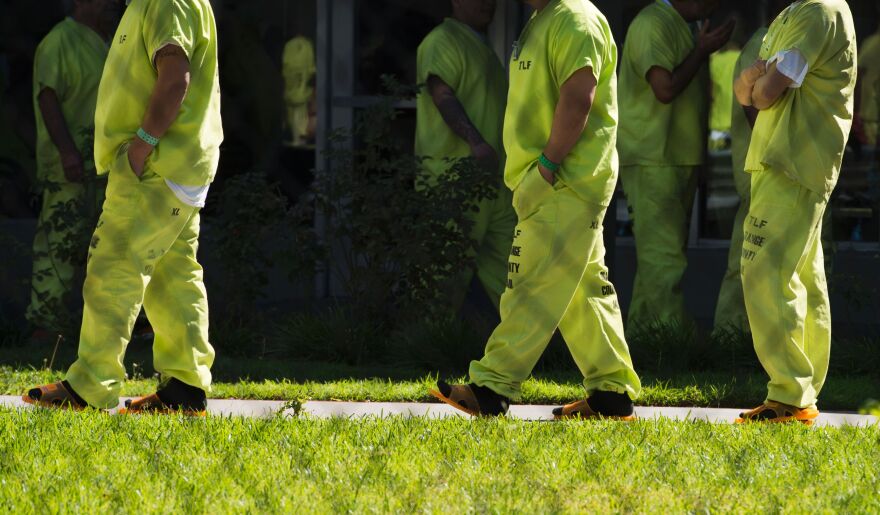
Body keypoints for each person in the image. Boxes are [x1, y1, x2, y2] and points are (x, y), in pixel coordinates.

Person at [430, 0, 641, 420]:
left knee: (529, 282)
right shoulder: (543, 19)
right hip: (554, 178)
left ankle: (492, 386)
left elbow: (579, 98)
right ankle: (612, 394)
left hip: (562, 179)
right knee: (584, 291)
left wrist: (545, 168)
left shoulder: (575, 19)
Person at [24, 0, 223, 415]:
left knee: (113, 264)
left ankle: (90, 386)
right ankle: (185, 389)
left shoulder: (166, 2)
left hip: (155, 165)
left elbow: (174, 81)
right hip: (177, 164)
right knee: (174, 274)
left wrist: (140, 146)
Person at [733, 0, 856, 424]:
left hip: (795, 162)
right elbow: (743, 89)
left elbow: (762, 92)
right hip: (780, 159)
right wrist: (760, 78)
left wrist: (760, 77)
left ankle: (790, 396)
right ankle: (800, 394)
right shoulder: (793, 13)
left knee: (765, 270)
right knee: (803, 275)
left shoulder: (818, 12)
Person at [617, 0, 734, 328]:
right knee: (664, 258)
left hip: (677, 158)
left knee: (657, 258)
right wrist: (701, 51)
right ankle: (673, 341)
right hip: (654, 157)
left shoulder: (690, 26)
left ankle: (646, 338)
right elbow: (664, 88)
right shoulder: (652, 23)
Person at [415, 0, 516, 313]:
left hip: (491, 182)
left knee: (514, 276)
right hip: (453, 179)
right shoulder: (441, 41)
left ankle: (528, 352)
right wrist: (476, 142)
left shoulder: (481, 46)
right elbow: (442, 95)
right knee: (442, 280)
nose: (489, 4)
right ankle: (426, 351)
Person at [26, 0, 116, 339]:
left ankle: (103, 329)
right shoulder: (58, 41)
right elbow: (46, 97)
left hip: (105, 164)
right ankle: (44, 327)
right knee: (59, 245)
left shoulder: (109, 40)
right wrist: (67, 152)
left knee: (106, 248)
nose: (115, 4)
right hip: (70, 166)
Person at [714, 1, 789, 333]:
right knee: (746, 260)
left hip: (771, 170)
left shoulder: (780, 42)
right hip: (764, 172)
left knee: (756, 259)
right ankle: (731, 337)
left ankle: (744, 338)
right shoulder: (765, 44)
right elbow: (755, 113)